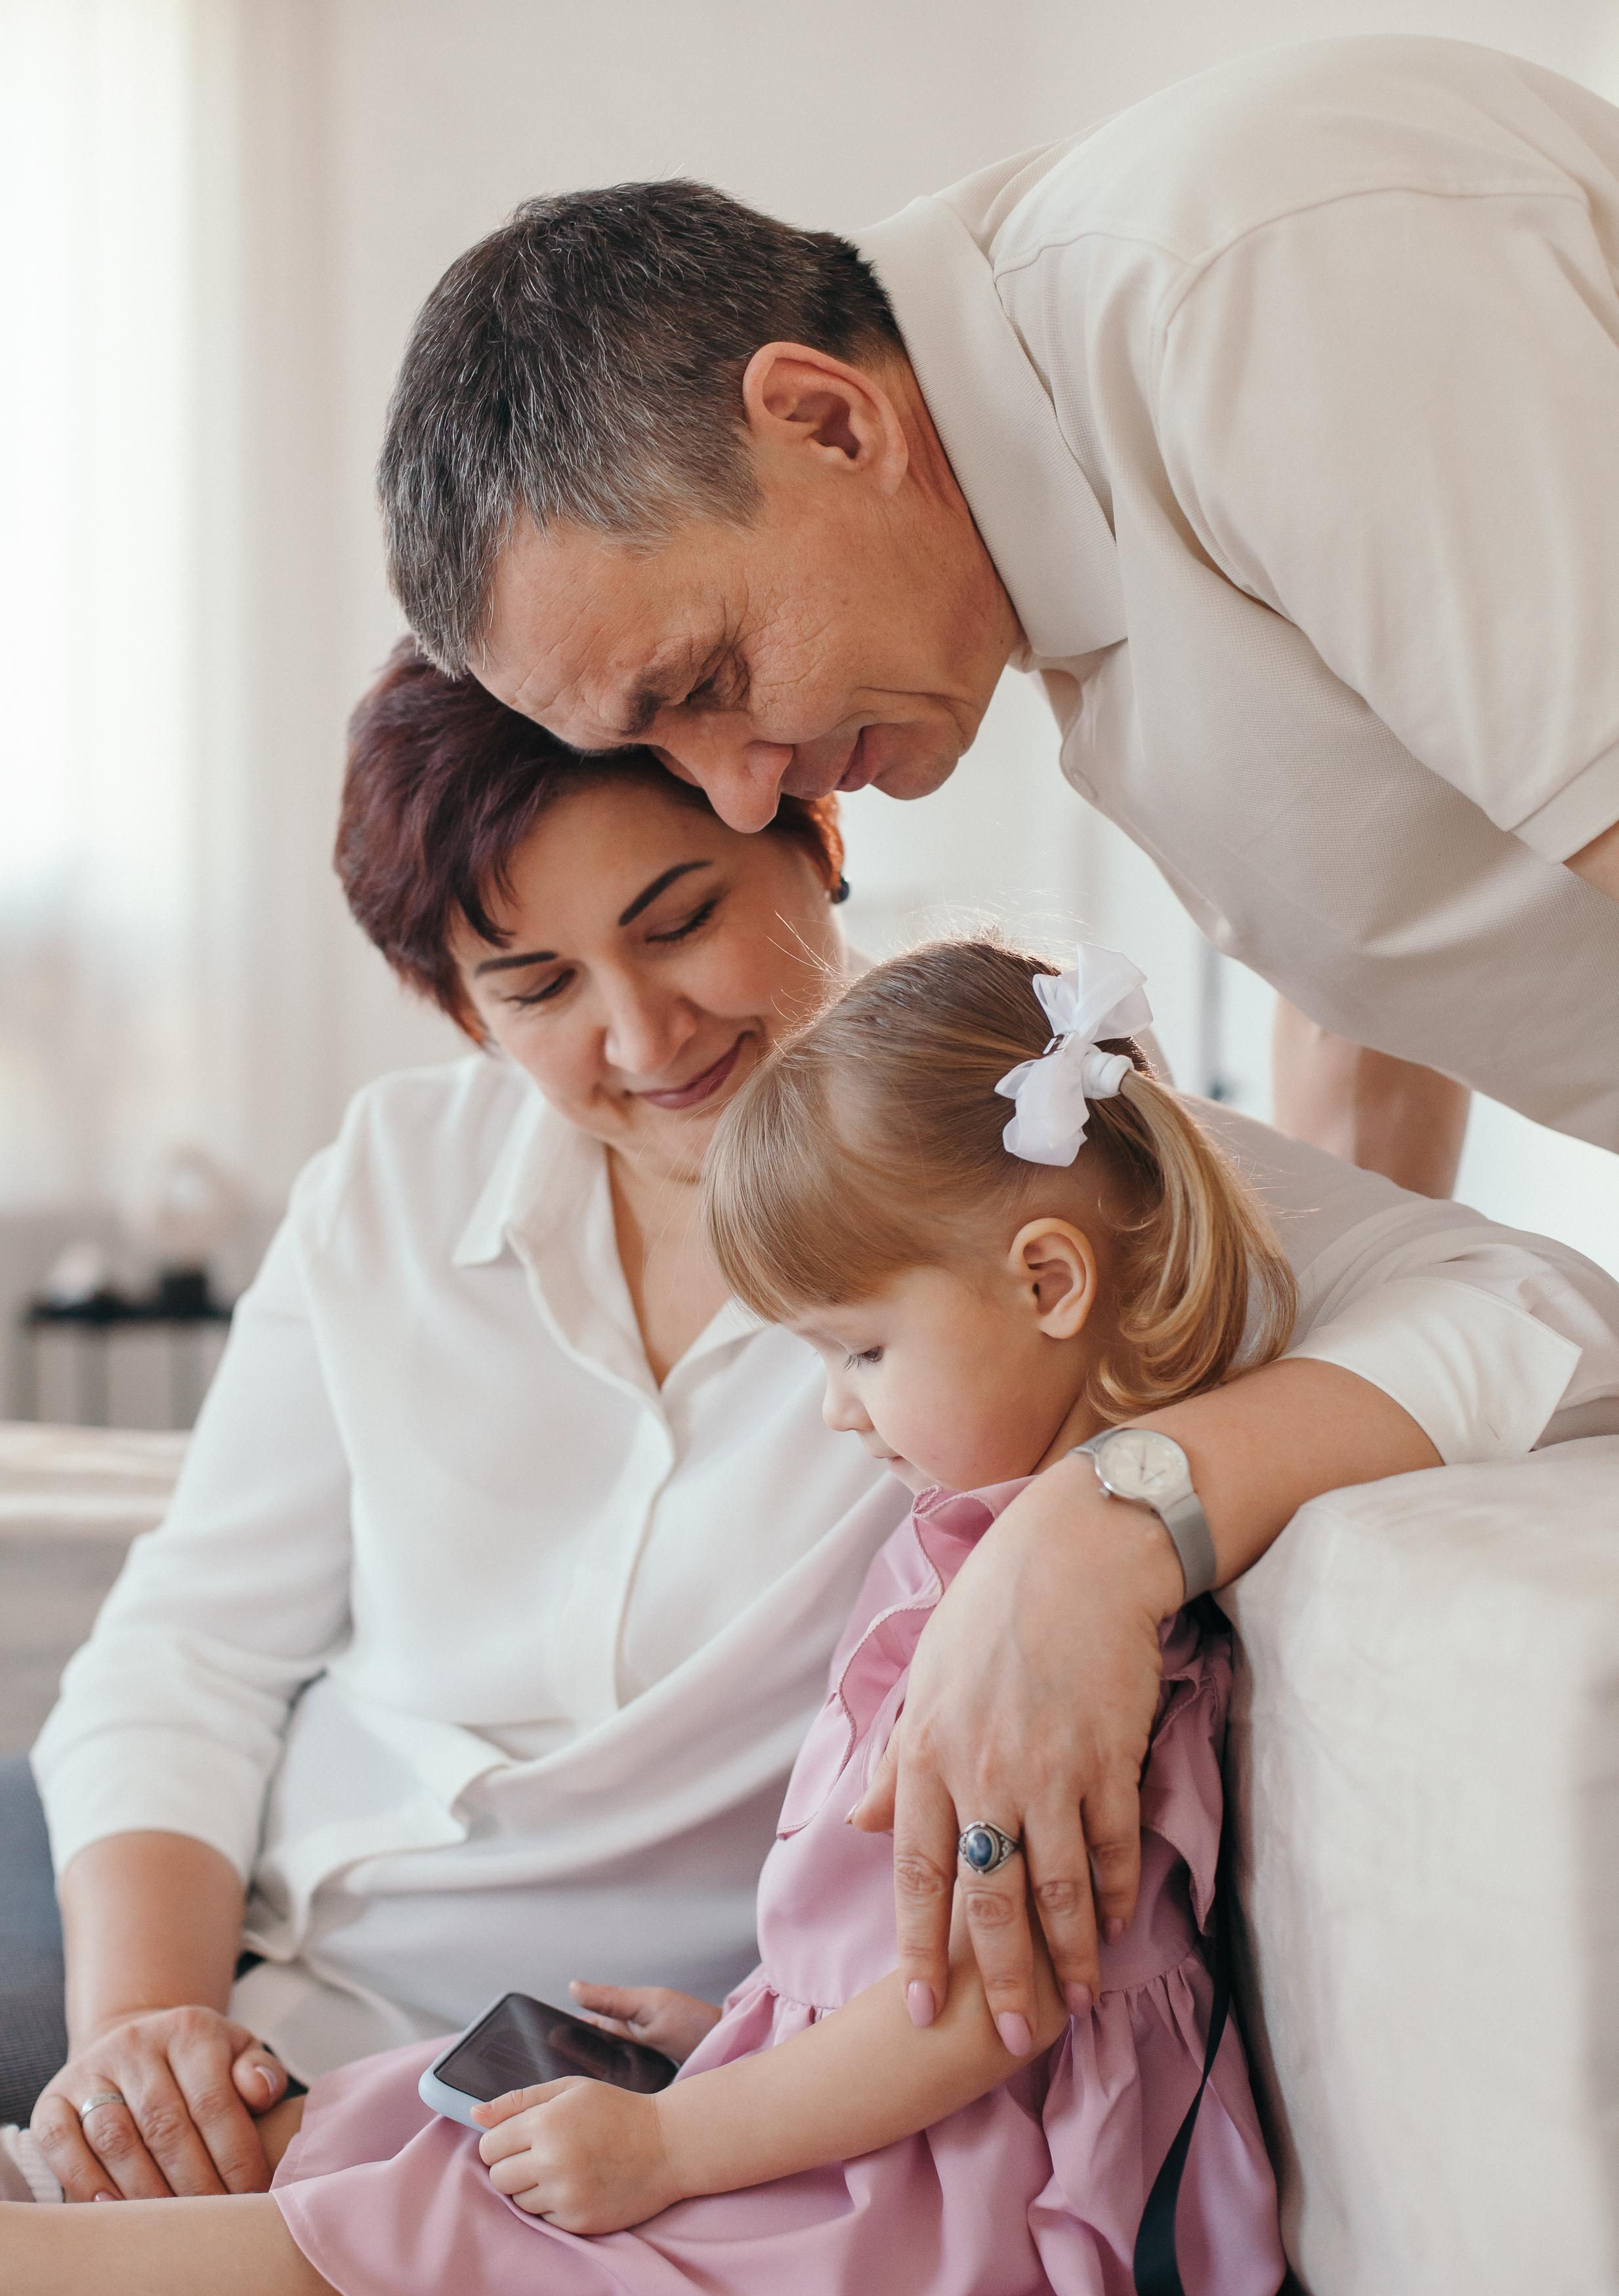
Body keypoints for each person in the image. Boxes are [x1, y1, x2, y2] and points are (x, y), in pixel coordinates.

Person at [371, 30, 1619, 2037]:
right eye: (659, 747)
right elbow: (1379, 992)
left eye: (709, 678)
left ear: (820, 417)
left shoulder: (1238, 276)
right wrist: (1196, 1453)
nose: (750, 787)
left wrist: (1121, 1503)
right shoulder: (1068, 597)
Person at [9, 659, 1618, 2205]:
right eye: (539, 986)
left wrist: (1109, 1520)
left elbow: (1539, 1306)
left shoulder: (1033, 1166)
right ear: (460, 1007)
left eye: (684, 918)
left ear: (812, 844)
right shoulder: (390, 1176)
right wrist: (138, 2031)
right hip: (239, 1958)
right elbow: (191, 1652)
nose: (645, 1039)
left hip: (612, 2064)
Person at [0, 938, 1326, 2296]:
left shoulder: (1055, 1634)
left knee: (457, 2208)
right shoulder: (968, 1552)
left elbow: (983, 2009)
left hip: (991, 2193)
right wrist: (750, 2032)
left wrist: (683, 2141)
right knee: (405, 2100)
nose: (835, 1410)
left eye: (861, 1350)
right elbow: (906, 1961)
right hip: (905, 2097)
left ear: (1049, 1280)